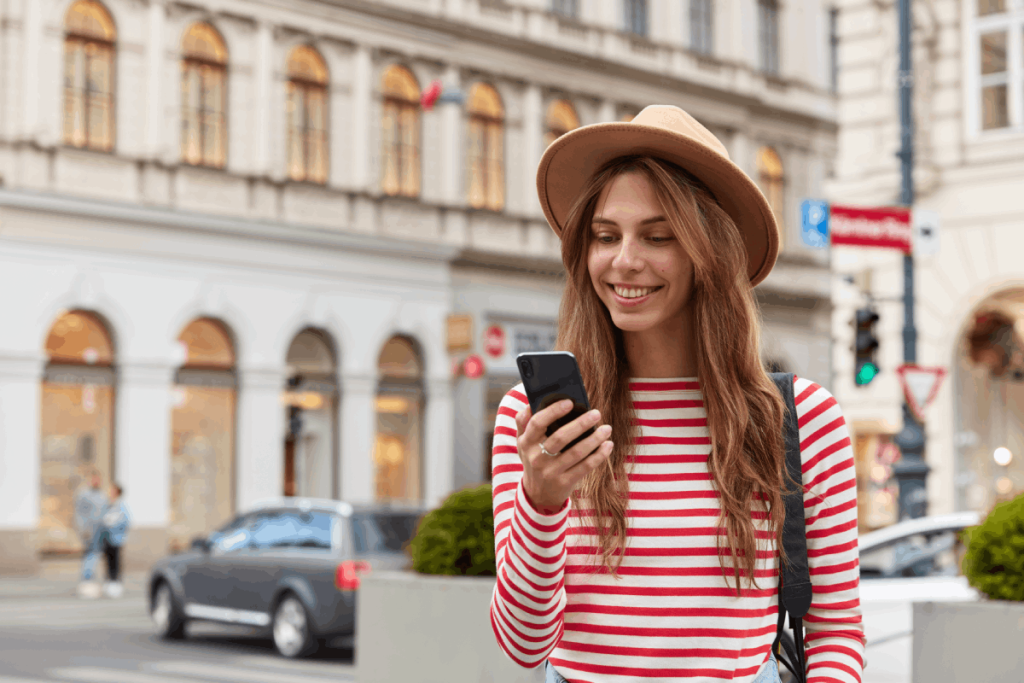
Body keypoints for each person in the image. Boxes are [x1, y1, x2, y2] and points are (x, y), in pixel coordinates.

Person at [489, 106, 865, 683]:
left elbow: (835, 629)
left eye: (658, 237)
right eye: (605, 237)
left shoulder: (800, 418)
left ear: (709, 253)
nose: (624, 261)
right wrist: (541, 500)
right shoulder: (535, 416)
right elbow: (522, 644)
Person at [73, 471, 107, 599]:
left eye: (98, 479)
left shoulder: (102, 495)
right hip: (88, 531)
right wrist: (83, 529)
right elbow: (79, 513)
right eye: (94, 479)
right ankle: (87, 579)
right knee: (90, 554)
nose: (96, 482)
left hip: (100, 530)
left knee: (95, 554)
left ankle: (90, 579)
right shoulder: (83, 494)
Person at [99, 482, 130, 599]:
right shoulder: (108, 504)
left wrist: (113, 524)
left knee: (115, 561)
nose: (110, 492)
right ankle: (108, 581)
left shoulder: (121, 505)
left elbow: (125, 521)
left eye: (113, 490)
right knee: (107, 560)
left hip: (116, 538)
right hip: (106, 537)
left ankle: (116, 583)